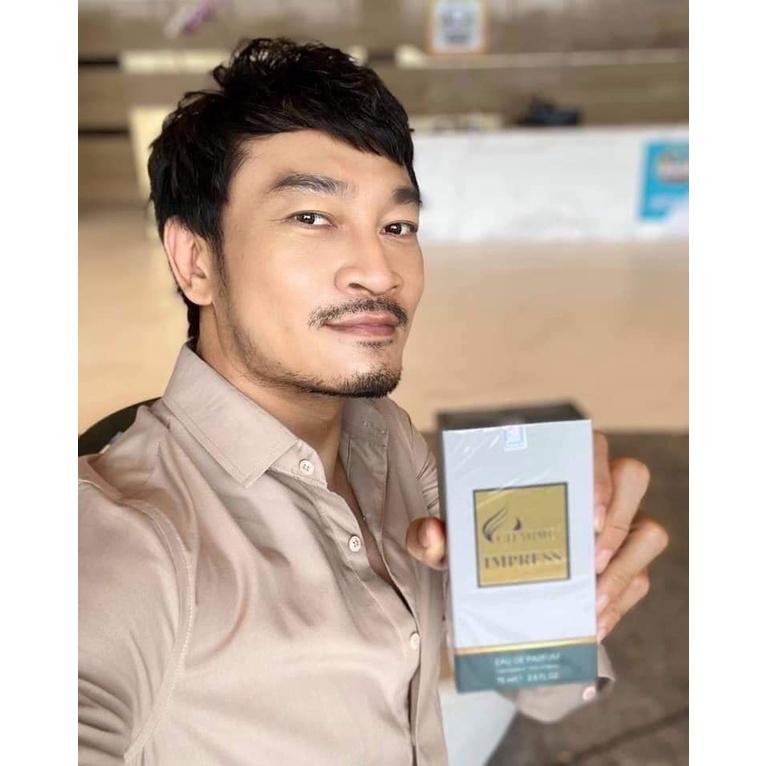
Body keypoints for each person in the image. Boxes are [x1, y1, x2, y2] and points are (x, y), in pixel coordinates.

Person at [78, 37, 669, 765]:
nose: (379, 270)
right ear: (196, 260)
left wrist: (556, 599)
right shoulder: (123, 537)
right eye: (311, 217)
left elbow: (543, 689)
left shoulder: (383, 437)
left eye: (398, 227)